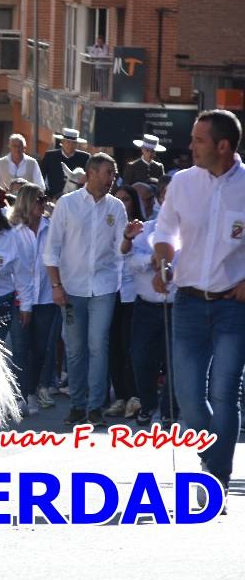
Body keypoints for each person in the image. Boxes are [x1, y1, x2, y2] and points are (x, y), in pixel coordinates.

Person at [152, 110, 245, 506]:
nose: (190, 147)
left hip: (233, 307)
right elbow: (165, 231)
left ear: (223, 146)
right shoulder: (182, 183)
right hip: (188, 301)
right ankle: (212, 459)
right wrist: (163, 261)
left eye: (199, 141)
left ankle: (217, 481)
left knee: (225, 393)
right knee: (189, 397)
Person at [44, 153, 127, 427]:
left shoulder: (116, 208)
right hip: (71, 288)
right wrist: (56, 286)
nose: (112, 179)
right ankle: (78, 406)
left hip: (103, 287)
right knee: (76, 349)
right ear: (91, 173)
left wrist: (127, 238)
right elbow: (52, 249)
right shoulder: (66, 205)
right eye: (108, 173)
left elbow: (121, 251)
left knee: (98, 346)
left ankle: (95, 408)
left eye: (114, 174)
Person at [123, 184, 177, 428]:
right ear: (158, 200)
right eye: (166, 196)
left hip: (177, 307)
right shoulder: (147, 230)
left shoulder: (190, 232)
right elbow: (131, 260)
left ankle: (169, 411)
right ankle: (148, 405)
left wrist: (170, 268)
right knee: (141, 358)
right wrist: (152, 260)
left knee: (175, 362)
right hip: (146, 306)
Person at [0, 188, 35, 413]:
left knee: (13, 351)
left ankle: (19, 397)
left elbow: (22, 274)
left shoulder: (11, 236)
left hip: (5, 301)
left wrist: (27, 305)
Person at [10, 183, 61, 412]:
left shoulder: (52, 228)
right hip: (20, 298)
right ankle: (20, 395)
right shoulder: (13, 231)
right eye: (38, 199)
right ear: (27, 202)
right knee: (20, 348)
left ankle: (31, 391)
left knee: (41, 349)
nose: (43, 202)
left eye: (43, 199)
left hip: (46, 297)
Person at [106, 184, 145, 418]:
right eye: (117, 199)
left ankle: (134, 396)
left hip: (133, 294)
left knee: (131, 346)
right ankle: (120, 396)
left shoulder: (143, 229)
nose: (122, 204)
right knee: (113, 347)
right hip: (110, 292)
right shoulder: (108, 227)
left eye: (126, 200)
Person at [40, 128, 91, 199]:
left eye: (73, 143)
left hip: (77, 198)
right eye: (68, 142)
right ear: (62, 142)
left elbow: (90, 178)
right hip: (53, 198)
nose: (70, 145)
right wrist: (47, 196)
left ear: (77, 144)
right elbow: (41, 177)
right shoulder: (50, 156)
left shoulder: (84, 158)